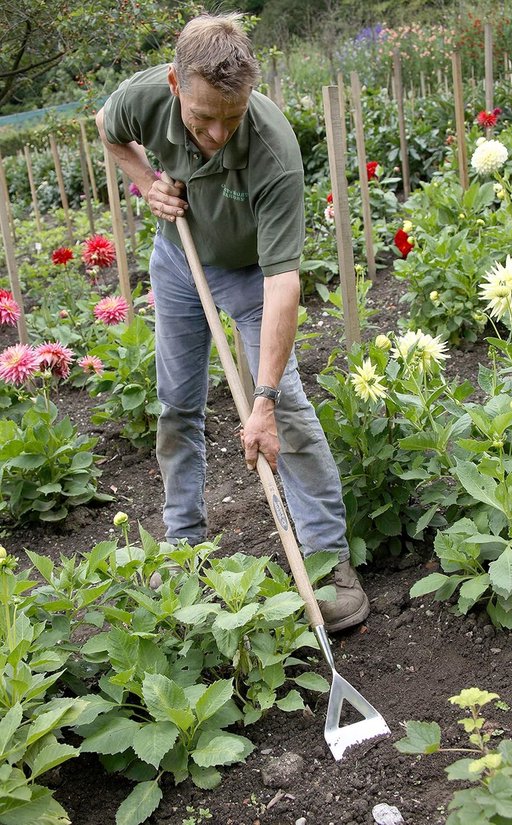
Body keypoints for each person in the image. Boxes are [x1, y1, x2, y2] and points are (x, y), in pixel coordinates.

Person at [96, 11, 369, 633]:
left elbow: (282, 284)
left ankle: (326, 560)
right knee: (176, 405)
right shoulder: (145, 97)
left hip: (252, 274)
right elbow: (106, 126)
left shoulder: (273, 151)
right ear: (174, 84)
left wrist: (262, 400)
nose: (218, 133)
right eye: (203, 118)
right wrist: (146, 182)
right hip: (180, 257)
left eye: (232, 116)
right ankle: (182, 546)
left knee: (287, 408)